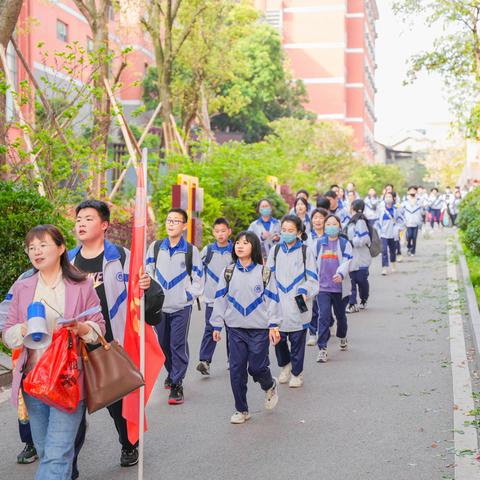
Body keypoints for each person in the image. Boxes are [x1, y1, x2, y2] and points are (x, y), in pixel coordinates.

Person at [3, 224, 106, 480]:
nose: (36, 252)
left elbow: (98, 327)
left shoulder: (80, 285)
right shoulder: (22, 287)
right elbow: (8, 334)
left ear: (61, 248)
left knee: (57, 454)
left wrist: (80, 327)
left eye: (43, 245)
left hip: (68, 380)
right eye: (31, 248)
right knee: (46, 450)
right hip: (34, 382)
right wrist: (23, 329)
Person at [69, 199, 151, 471]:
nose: (81, 223)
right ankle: (67, 463)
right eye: (79, 218)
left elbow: (142, 298)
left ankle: (128, 443)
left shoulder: (121, 257)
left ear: (104, 225)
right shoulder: (66, 260)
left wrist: (145, 286)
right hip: (72, 344)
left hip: (109, 341)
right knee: (72, 405)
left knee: (116, 400)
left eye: (89, 218)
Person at [211, 231, 280, 424]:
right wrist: (216, 324)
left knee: (257, 367)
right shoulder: (228, 272)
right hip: (235, 329)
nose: (240, 246)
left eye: (246, 243)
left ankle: (269, 384)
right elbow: (220, 299)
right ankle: (241, 409)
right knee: (236, 369)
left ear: (254, 247)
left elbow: (273, 300)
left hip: (259, 330)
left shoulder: (264, 272)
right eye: (238, 243)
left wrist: (274, 325)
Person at [146, 208, 204, 405]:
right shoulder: (155, 247)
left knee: (177, 344)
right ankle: (172, 373)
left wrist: (187, 296)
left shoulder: (190, 251)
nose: (171, 224)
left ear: (184, 226)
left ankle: (177, 383)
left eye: (176, 221)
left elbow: (198, 278)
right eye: (169, 220)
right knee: (163, 345)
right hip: (159, 307)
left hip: (181, 307)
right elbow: (147, 273)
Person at [267, 215, 319, 388]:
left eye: (290, 231)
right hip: (278, 300)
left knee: (298, 339)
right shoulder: (275, 251)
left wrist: (305, 291)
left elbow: (312, 278)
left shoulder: (306, 251)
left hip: (299, 300)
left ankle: (297, 373)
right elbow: (267, 276)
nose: (286, 233)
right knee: (278, 338)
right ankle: (285, 366)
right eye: (284, 230)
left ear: (298, 232)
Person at [197, 218, 233, 376]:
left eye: (223, 231)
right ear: (213, 232)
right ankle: (205, 361)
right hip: (212, 299)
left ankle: (233, 359)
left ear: (229, 231)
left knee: (232, 331)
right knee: (210, 329)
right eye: (217, 231)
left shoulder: (234, 250)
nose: (220, 234)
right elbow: (197, 269)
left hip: (232, 300)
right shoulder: (208, 250)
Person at [314, 215, 352, 363]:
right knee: (323, 317)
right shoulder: (319, 243)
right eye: (328, 223)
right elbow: (312, 263)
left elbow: (347, 261)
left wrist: (341, 274)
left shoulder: (344, 243)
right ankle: (322, 349)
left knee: (340, 316)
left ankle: (342, 336)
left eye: (334, 224)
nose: (330, 226)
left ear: (339, 226)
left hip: (339, 288)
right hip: (322, 288)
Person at [306, 208, 328, 346]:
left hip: (327, 275)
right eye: (315, 218)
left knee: (325, 305)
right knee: (312, 305)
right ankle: (313, 333)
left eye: (321, 217)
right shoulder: (306, 237)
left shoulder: (329, 237)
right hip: (311, 274)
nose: (318, 220)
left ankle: (327, 325)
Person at [346, 200, 372, 313]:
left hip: (361, 257)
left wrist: (352, 242)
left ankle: (364, 298)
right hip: (352, 257)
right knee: (351, 281)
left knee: (361, 280)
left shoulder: (360, 221)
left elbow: (364, 238)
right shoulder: (351, 220)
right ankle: (352, 304)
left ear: (352, 207)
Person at [377, 192, 404, 275]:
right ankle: (384, 268)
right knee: (384, 251)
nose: (388, 198)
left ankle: (393, 264)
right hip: (384, 234)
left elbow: (401, 220)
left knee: (393, 251)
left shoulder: (396, 209)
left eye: (390, 197)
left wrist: (399, 228)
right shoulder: (381, 210)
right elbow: (378, 222)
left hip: (393, 234)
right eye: (386, 197)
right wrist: (379, 232)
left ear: (393, 199)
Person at [401, 187, 423, 256]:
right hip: (408, 222)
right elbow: (401, 210)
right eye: (411, 190)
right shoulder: (405, 201)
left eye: (414, 190)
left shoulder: (419, 200)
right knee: (409, 236)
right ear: (408, 192)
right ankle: (409, 247)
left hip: (416, 222)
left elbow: (422, 210)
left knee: (414, 237)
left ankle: (413, 251)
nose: (412, 192)